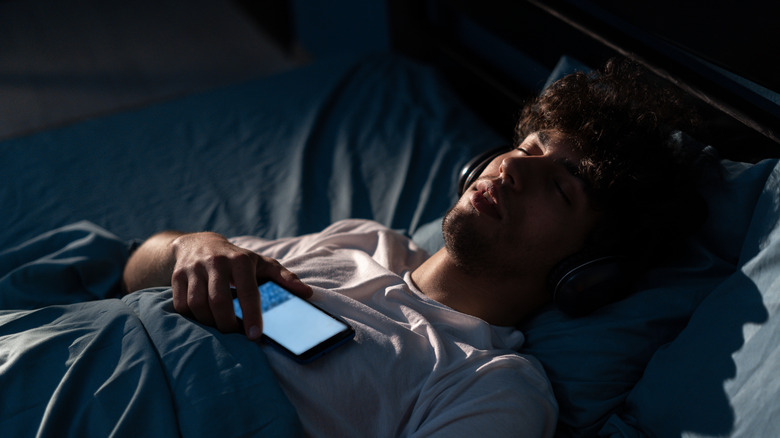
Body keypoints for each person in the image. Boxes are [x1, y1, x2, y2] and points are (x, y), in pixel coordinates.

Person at [122, 59, 706, 437]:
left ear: (589, 269)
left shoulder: (492, 387)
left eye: (559, 186)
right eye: (527, 147)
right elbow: (133, 272)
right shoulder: (360, 241)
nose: (513, 171)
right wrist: (195, 248)